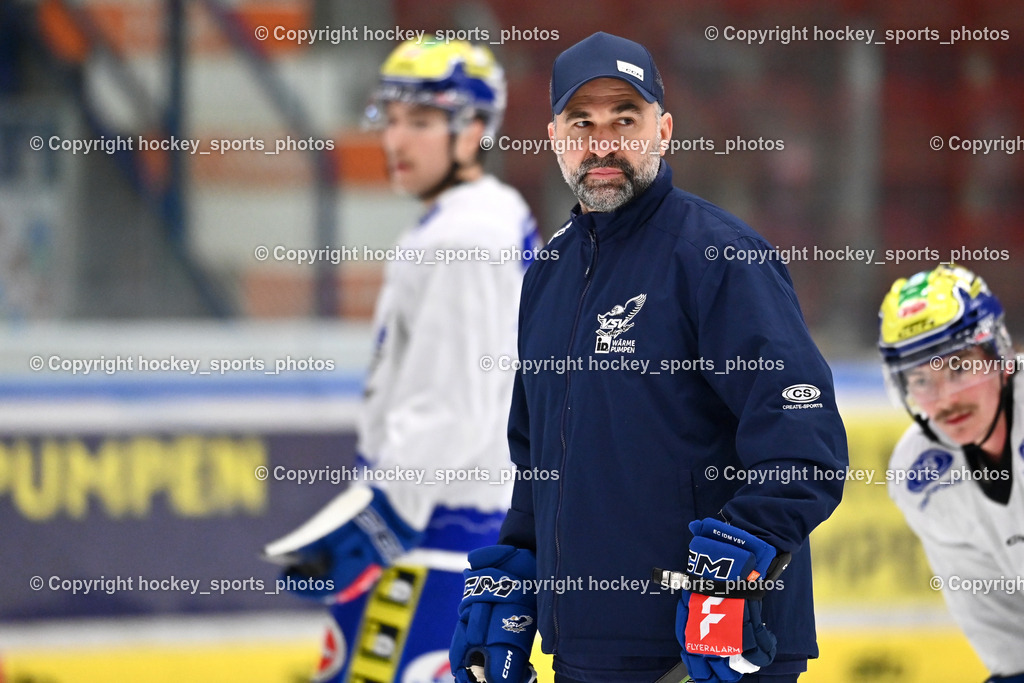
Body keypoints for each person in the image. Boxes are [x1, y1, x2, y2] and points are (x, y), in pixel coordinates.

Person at [449, 32, 848, 683]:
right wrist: (518, 565)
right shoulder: (549, 272)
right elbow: (538, 458)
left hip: (712, 654)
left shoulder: (719, 257)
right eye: (582, 122)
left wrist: (737, 559)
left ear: (663, 130)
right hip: (588, 651)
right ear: (554, 136)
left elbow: (805, 443)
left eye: (624, 120)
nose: (602, 143)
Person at [263, 39, 539, 683]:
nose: (396, 140)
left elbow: (455, 402)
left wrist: (384, 519)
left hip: (436, 535)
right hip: (451, 525)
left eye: (419, 122)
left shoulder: (464, 235)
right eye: (390, 120)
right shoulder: (480, 217)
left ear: (472, 130)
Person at [879, 263, 1024, 683]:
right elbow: (1011, 646)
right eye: (920, 379)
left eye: (958, 368)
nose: (944, 400)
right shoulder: (919, 476)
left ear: (998, 354)